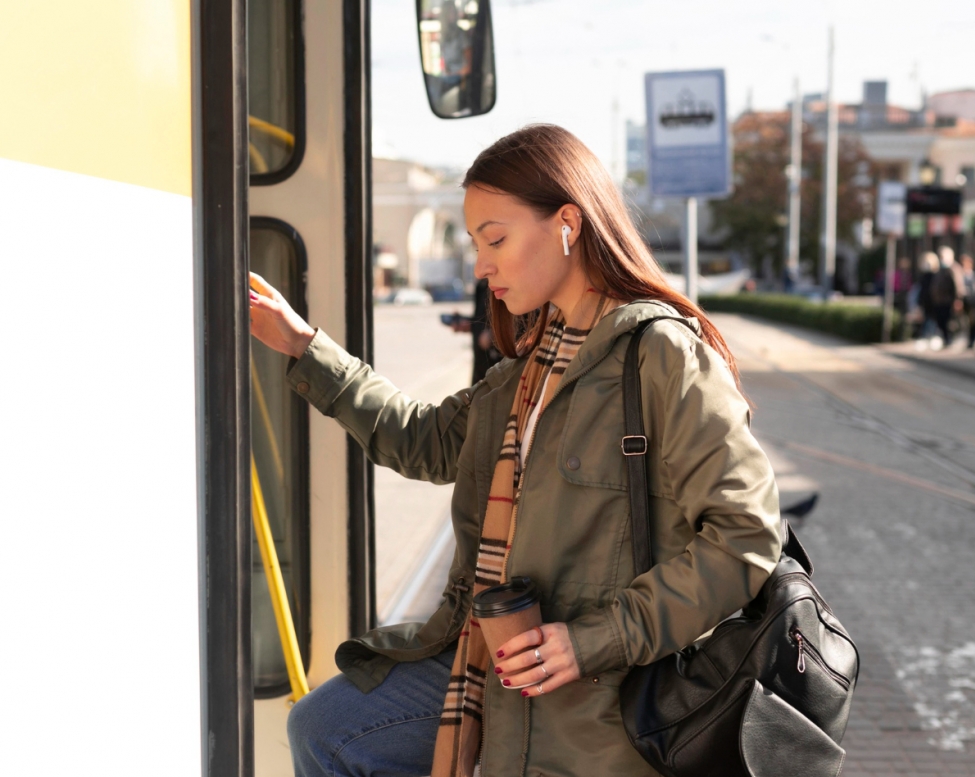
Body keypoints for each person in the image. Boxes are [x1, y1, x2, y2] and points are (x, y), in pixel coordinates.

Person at [249, 124, 782, 777]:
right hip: (499, 666)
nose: (480, 264)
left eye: (495, 238)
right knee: (329, 728)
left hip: (604, 694)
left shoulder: (664, 356)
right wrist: (306, 348)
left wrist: (590, 641)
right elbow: (425, 441)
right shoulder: (532, 366)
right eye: (475, 243)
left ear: (567, 223)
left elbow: (746, 535)